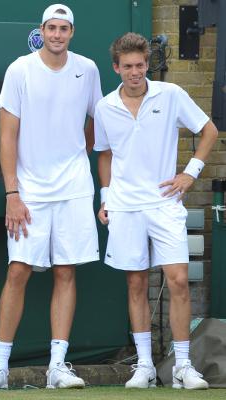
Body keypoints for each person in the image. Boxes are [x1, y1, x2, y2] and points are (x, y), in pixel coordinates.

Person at [0, 4, 102, 390]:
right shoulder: (20, 70)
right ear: (41, 31)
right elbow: (7, 136)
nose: (58, 34)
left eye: (64, 28)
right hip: (29, 191)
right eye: (52, 28)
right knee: (18, 271)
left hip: (74, 188)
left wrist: (77, 156)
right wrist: (12, 192)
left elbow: (96, 122)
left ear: (71, 33)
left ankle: (57, 367)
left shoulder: (88, 69)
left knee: (66, 271)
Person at [94, 32, 217, 390]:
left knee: (177, 280)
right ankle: (145, 366)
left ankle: (182, 366)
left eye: (141, 65)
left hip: (165, 204)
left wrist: (189, 174)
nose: (135, 72)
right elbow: (104, 154)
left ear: (148, 64)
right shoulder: (104, 107)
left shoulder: (171, 95)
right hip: (125, 206)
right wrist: (106, 198)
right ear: (117, 68)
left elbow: (208, 130)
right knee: (135, 283)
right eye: (128, 66)